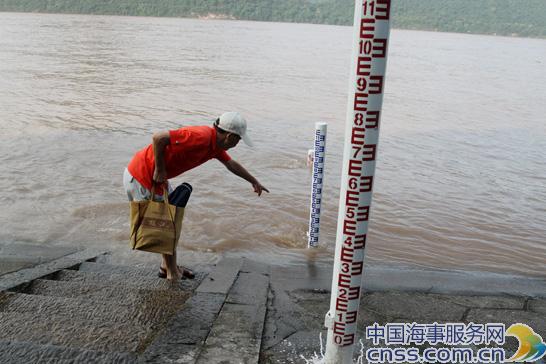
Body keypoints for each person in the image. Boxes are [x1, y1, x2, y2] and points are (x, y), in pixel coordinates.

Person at [123, 112, 269, 281]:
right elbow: (159, 138)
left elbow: (230, 164)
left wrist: (254, 181)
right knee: (167, 224)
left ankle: (167, 267)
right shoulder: (202, 136)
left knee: (172, 219)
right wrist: (161, 170)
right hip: (143, 175)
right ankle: (171, 273)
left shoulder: (215, 146)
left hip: (154, 177)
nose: (238, 144)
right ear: (229, 136)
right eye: (238, 140)